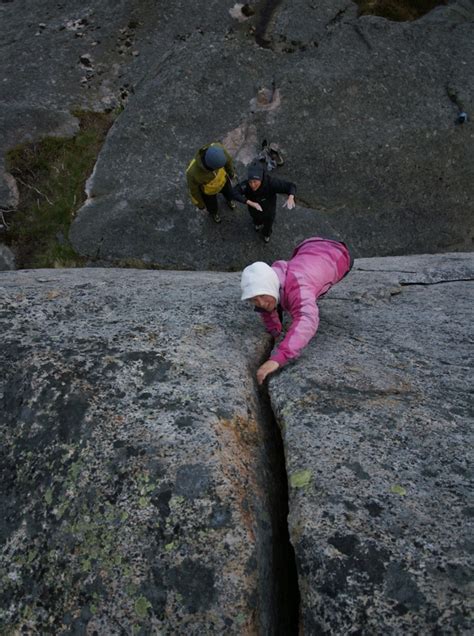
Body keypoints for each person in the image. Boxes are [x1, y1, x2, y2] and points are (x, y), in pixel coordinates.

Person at [240, 237, 353, 384]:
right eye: (254, 299)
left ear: (270, 286)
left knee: (303, 298)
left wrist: (279, 358)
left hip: (338, 254)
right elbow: (265, 305)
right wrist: (275, 331)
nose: (260, 302)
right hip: (307, 246)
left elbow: (307, 319)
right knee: (280, 298)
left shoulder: (299, 286)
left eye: (262, 295)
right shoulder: (273, 276)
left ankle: (313, 293)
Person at [232, 162, 296, 243]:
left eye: (255, 181)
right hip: (254, 210)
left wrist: (291, 197)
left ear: (261, 178)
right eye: (250, 181)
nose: (252, 185)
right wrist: (250, 202)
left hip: (269, 211)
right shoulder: (246, 185)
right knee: (255, 219)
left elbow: (290, 186)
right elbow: (233, 192)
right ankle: (257, 224)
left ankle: (266, 235)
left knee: (268, 225)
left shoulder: (271, 183)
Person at [186, 142, 237, 223]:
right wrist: (200, 204)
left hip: (223, 180)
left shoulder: (218, 149)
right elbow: (193, 190)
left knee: (230, 193)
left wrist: (231, 173)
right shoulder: (192, 173)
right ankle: (214, 213)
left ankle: (229, 200)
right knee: (211, 205)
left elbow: (228, 161)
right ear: (210, 168)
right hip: (209, 191)